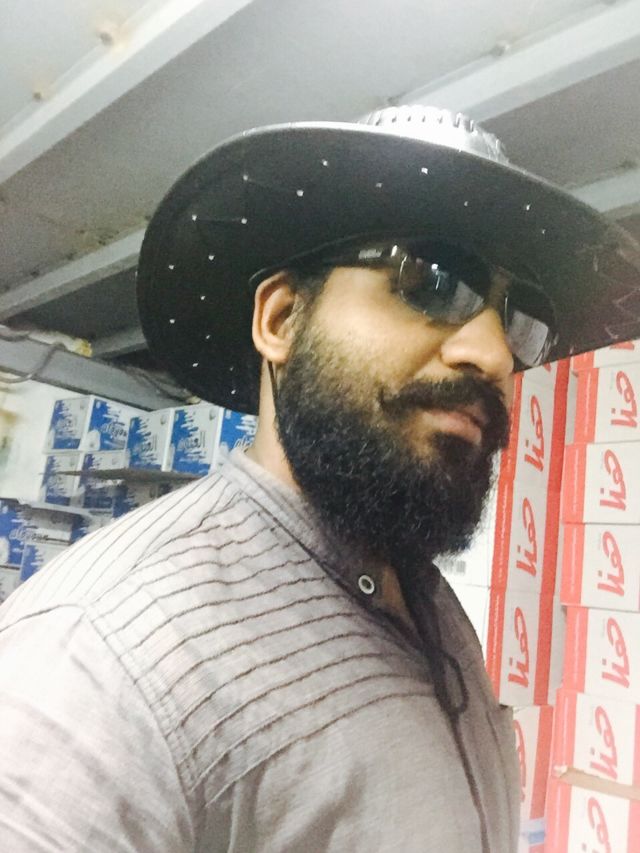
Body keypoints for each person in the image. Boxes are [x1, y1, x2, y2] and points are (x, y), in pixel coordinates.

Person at [1, 106, 639, 853]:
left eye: (518, 320)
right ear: (280, 320)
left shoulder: (420, 590)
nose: (495, 354)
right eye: (432, 280)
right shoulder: (100, 660)